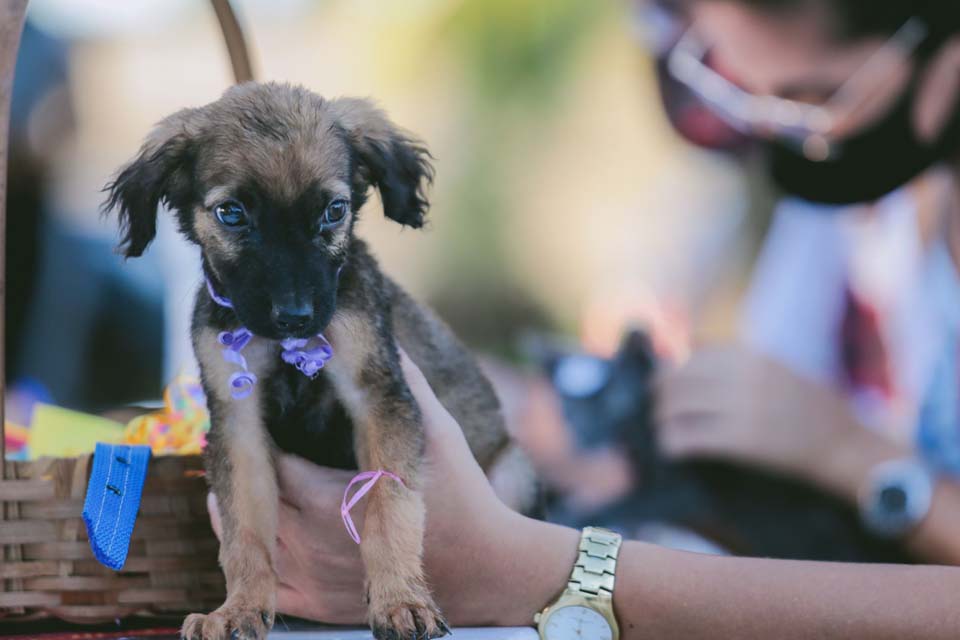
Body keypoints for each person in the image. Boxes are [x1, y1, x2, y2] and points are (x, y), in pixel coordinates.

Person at [207, 0, 960, 635]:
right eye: (743, 93)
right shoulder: (854, 223)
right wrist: (533, 425)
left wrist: (863, 461)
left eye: (814, 96)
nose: (797, 139)